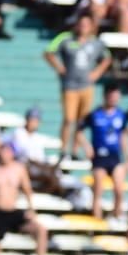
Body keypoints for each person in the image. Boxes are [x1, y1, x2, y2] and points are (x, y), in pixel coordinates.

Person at [44, 14, 111, 160]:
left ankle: (74, 150)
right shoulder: (66, 38)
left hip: (87, 86)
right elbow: (48, 52)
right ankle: (63, 150)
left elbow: (106, 58)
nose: (83, 27)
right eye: (81, 24)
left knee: (81, 122)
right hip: (70, 85)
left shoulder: (96, 43)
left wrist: (97, 73)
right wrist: (60, 68)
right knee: (69, 119)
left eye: (86, 25)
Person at [79, 83, 128, 220]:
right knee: (98, 186)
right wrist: (87, 146)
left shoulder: (121, 115)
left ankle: (116, 215)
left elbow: (123, 136)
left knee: (119, 188)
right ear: (105, 96)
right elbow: (79, 131)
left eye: (115, 96)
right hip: (99, 156)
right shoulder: (95, 114)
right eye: (111, 96)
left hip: (115, 156)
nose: (113, 99)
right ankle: (96, 217)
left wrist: (127, 158)